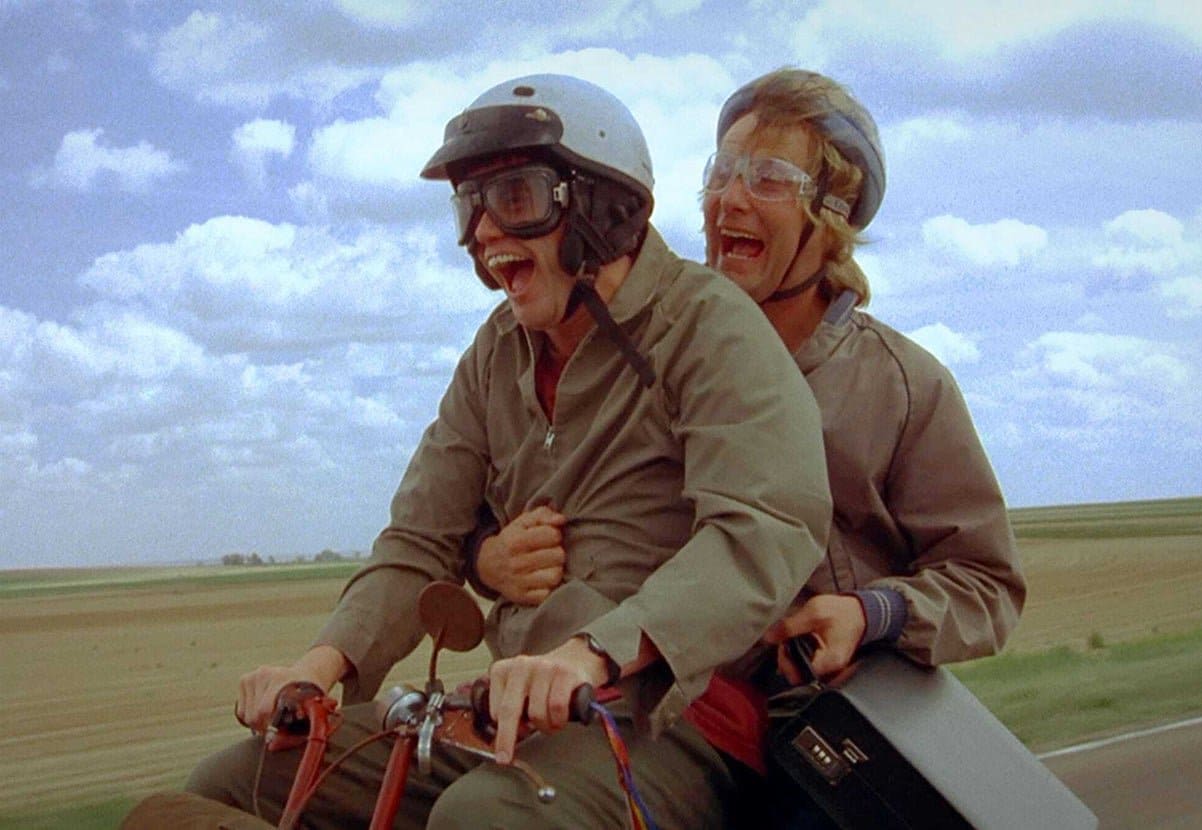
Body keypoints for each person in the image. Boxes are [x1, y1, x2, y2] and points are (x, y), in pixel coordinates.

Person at [121, 73, 831, 830]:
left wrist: (590, 653)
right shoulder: (496, 353)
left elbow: (764, 528)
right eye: (470, 206)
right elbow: (419, 541)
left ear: (601, 208)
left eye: (514, 198)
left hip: (672, 719)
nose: (485, 232)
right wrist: (318, 667)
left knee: (485, 817)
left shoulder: (709, 326)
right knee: (232, 784)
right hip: (513, 710)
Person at [471, 66, 1027, 820]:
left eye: (768, 179)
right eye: (721, 173)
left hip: (815, 731)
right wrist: (487, 557)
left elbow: (987, 582)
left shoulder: (901, 386)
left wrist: (873, 613)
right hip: (658, 711)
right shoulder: (640, 342)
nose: (727, 200)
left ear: (831, 216)